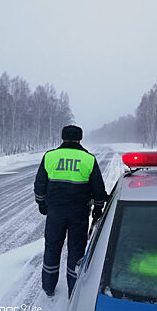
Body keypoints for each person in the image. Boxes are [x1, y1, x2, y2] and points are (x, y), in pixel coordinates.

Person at [34, 125, 107, 298]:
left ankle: (48, 287)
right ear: (80, 138)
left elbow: (40, 184)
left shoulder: (50, 156)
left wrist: (41, 203)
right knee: (76, 250)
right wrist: (98, 207)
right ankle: (73, 291)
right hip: (79, 213)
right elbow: (98, 189)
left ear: (62, 137)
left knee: (52, 247)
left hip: (55, 212)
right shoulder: (88, 159)